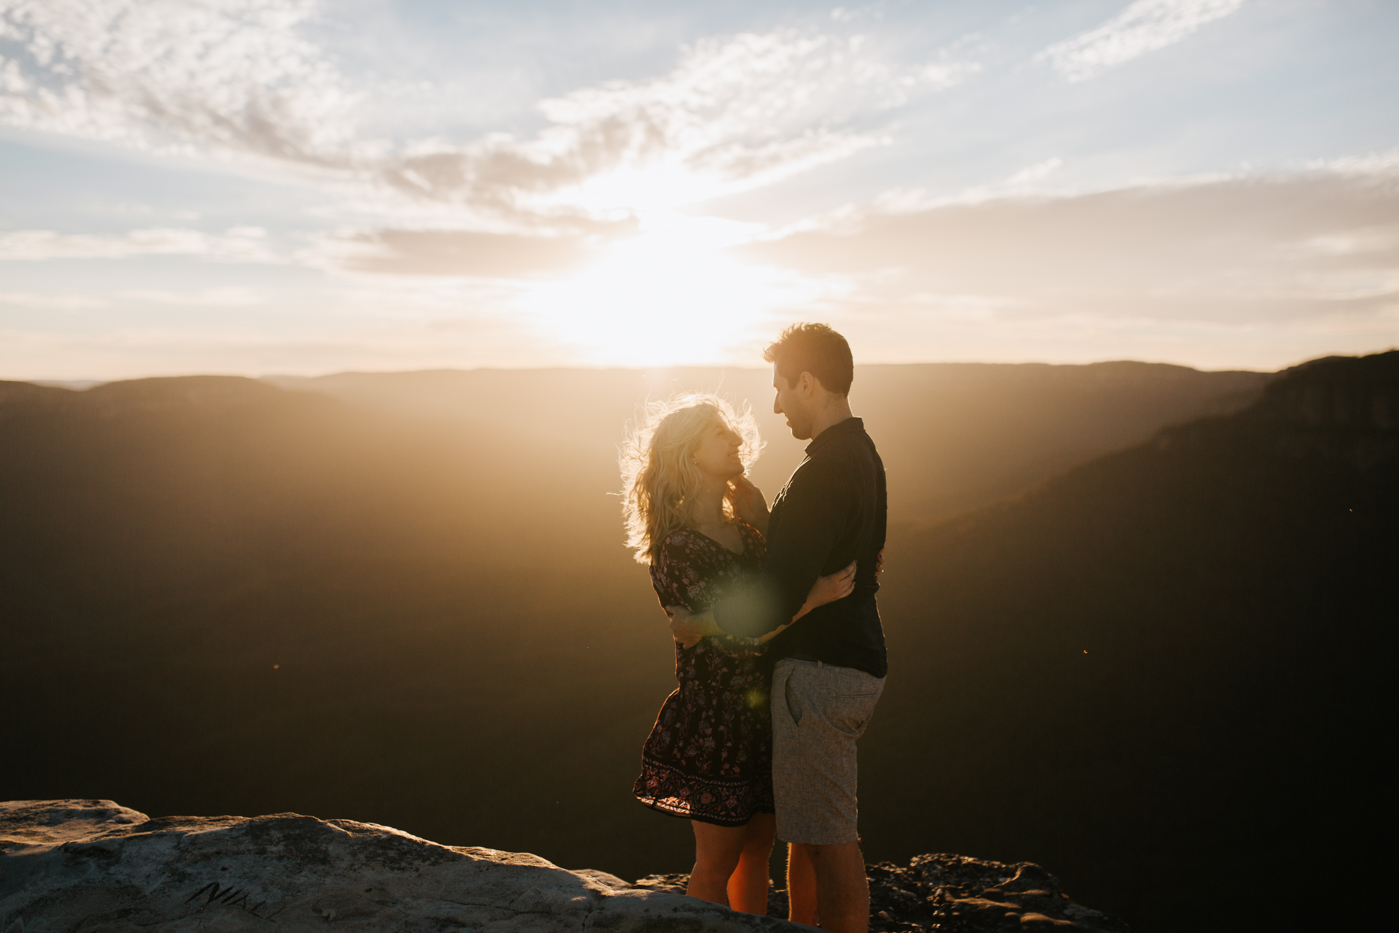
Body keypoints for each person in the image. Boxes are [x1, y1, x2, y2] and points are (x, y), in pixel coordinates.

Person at [668, 324, 887, 933]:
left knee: (829, 842)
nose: (775, 405)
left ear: (808, 382)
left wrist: (701, 622)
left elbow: (774, 600)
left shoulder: (821, 473)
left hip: (820, 674)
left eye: (780, 389)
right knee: (807, 832)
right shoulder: (861, 453)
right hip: (849, 662)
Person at [619, 394, 858, 914]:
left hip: (763, 706)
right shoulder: (678, 546)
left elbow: (771, 586)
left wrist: (765, 521)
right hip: (717, 717)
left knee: (757, 852)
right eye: (720, 434)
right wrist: (812, 597)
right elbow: (740, 632)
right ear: (688, 454)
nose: (736, 440)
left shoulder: (743, 529)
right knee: (717, 861)